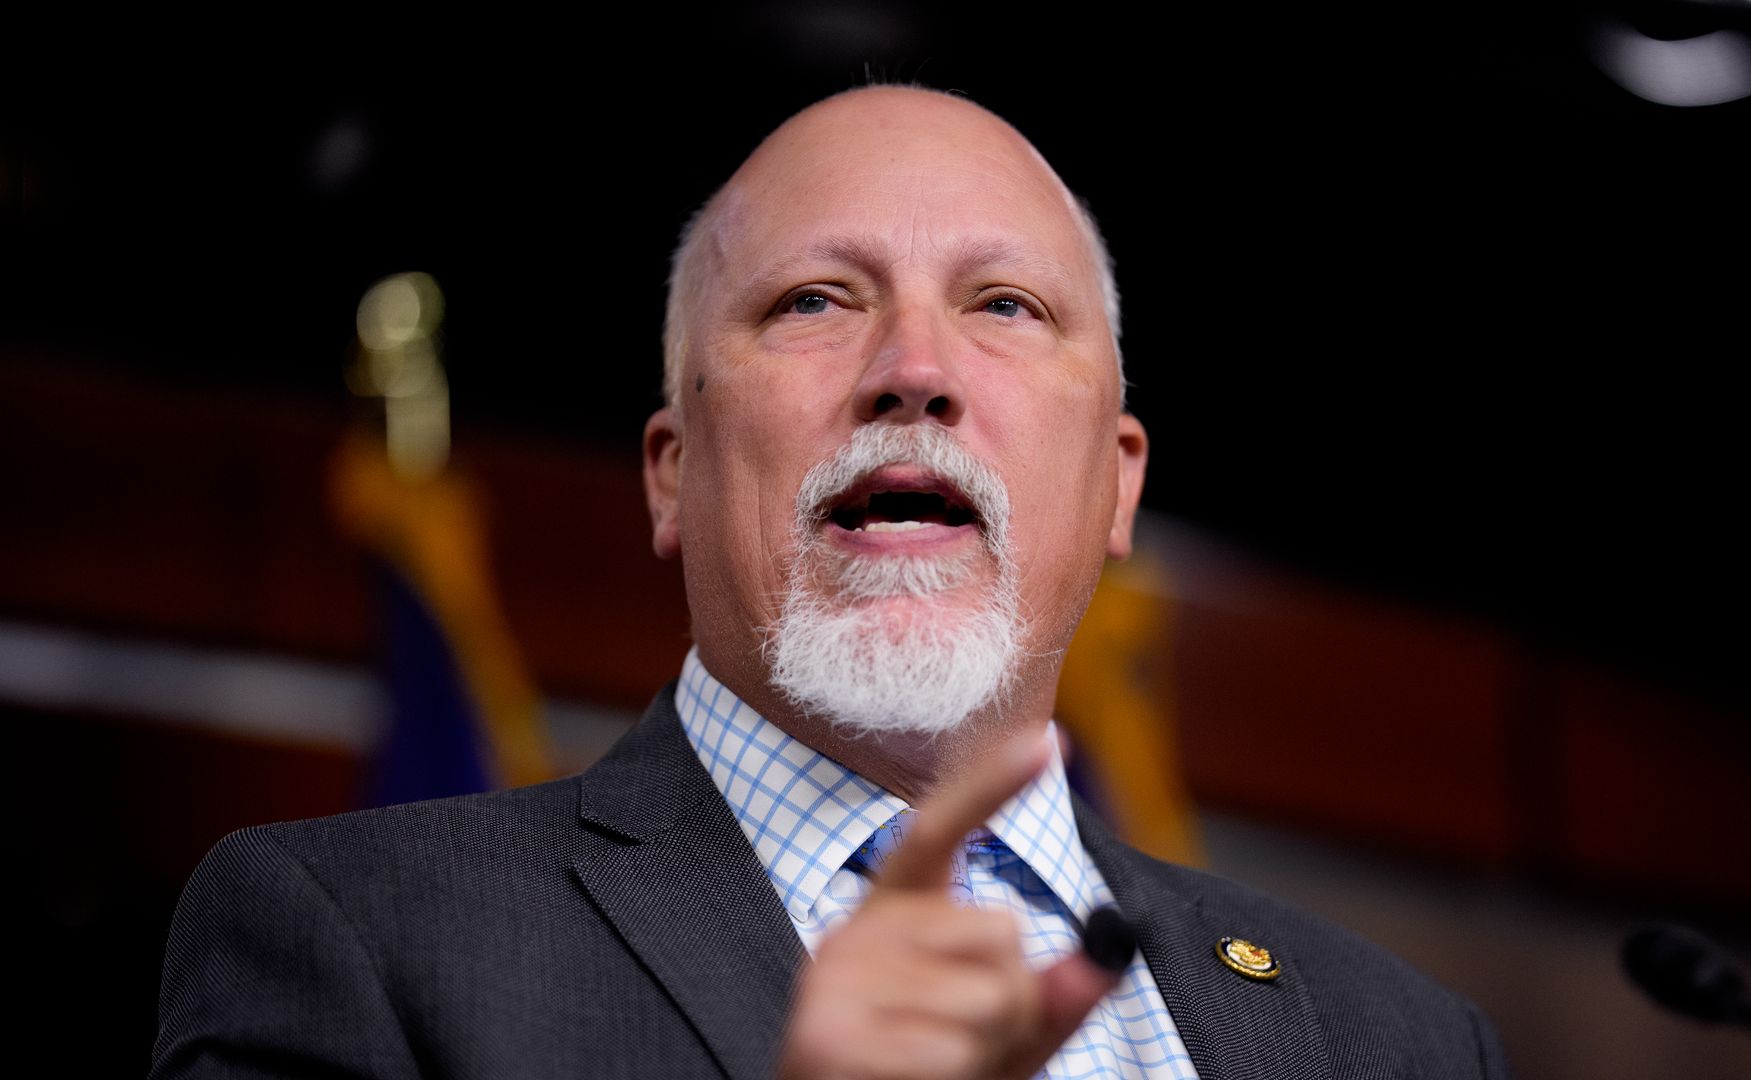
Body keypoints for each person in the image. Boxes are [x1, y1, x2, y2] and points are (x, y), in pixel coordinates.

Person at [151, 86, 1511, 1080]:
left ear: (1118, 482)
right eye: (813, 299)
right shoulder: (355, 937)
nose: (913, 368)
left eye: (1002, 306)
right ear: (673, 472)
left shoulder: (1403, 1041)